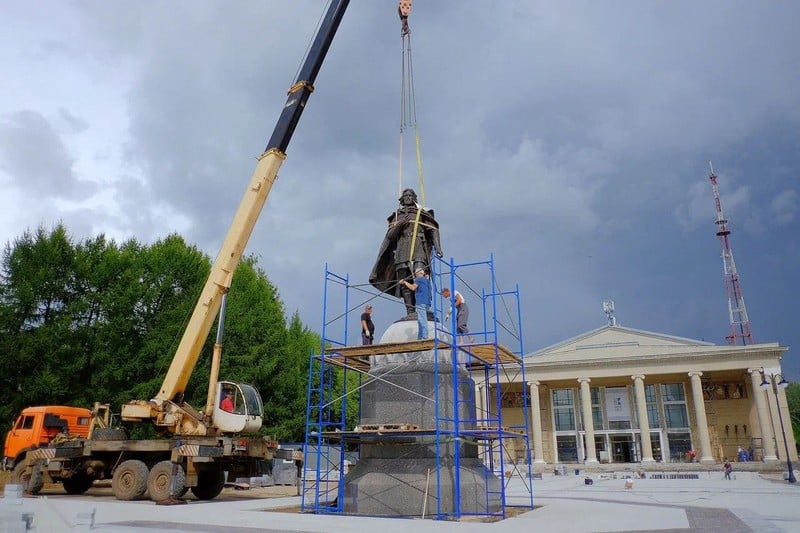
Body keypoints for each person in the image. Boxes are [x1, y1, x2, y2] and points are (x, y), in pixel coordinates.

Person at [369, 188, 443, 317]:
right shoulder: (397, 215)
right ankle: (410, 311)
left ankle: (422, 307)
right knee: (403, 280)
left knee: (420, 277)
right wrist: (399, 225)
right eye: (405, 195)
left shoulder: (421, 212)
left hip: (418, 248)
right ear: (402, 200)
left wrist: (438, 247)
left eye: (410, 195)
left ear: (414, 197)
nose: (408, 197)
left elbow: (433, 230)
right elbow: (390, 236)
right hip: (402, 249)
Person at [400, 268, 431, 339]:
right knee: (420, 320)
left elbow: (413, 287)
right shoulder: (427, 281)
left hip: (421, 302)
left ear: (417, 274)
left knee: (422, 319)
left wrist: (404, 282)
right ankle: (420, 337)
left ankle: (425, 336)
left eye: (415, 274)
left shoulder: (418, 279)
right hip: (427, 303)